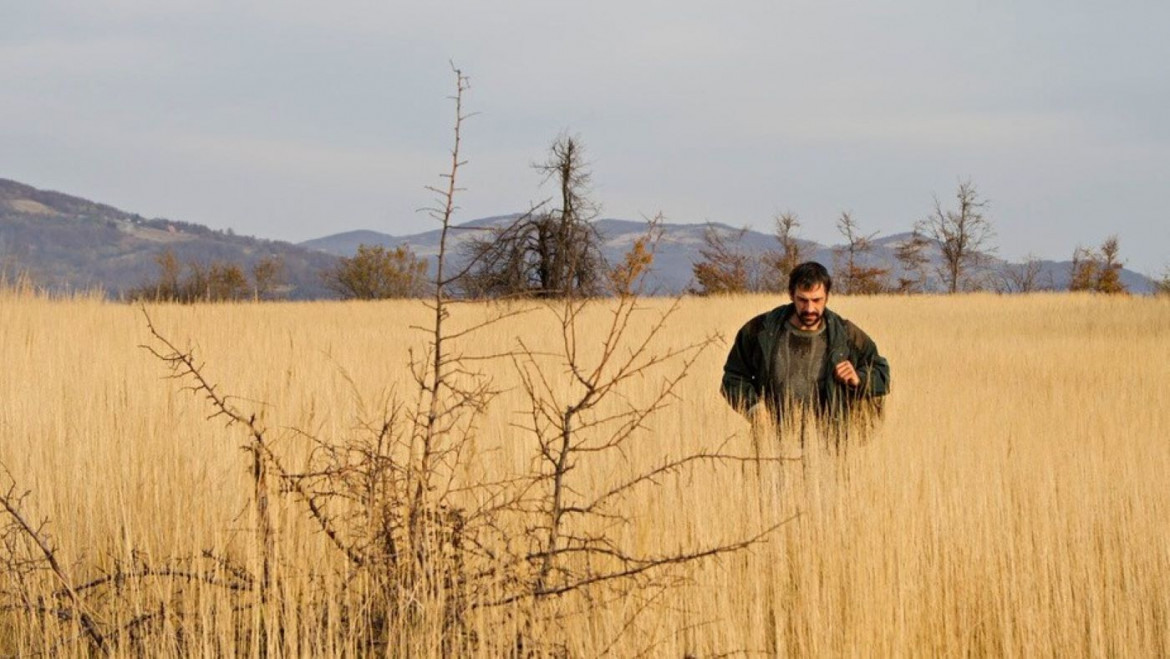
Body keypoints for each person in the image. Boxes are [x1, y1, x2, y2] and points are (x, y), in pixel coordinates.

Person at [720, 262, 890, 431]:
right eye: (802, 300)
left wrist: (859, 378)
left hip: (829, 441)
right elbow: (733, 377)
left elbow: (882, 372)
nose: (810, 308)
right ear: (791, 294)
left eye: (817, 300)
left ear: (827, 297)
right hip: (771, 442)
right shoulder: (760, 330)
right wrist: (754, 408)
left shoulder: (846, 334)